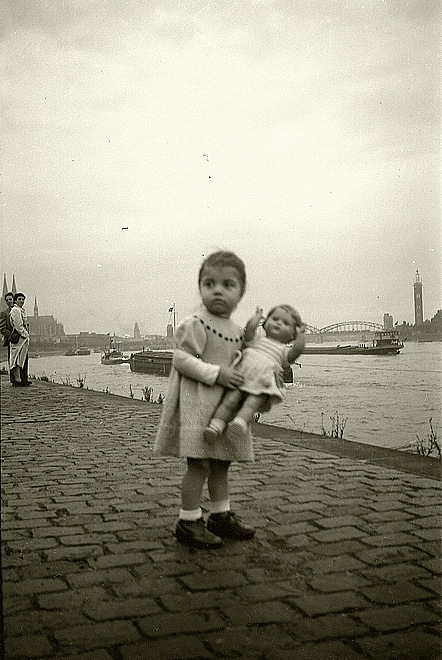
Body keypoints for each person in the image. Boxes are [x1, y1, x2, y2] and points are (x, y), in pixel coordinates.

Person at [154, 250, 256, 549]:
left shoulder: (236, 330)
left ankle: (220, 515)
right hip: (198, 407)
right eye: (209, 283)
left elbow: (245, 358)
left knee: (222, 464)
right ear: (200, 288)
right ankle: (188, 520)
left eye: (228, 284)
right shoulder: (197, 323)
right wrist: (216, 374)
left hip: (222, 409)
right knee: (198, 466)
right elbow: (181, 359)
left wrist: (251, 338)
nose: (218, 290)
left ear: (240, 293)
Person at [204, 305, 305, 442]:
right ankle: (215, 426)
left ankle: (239, 423)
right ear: (265, 323)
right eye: (275, 319)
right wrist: (257, 317)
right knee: (230, 400)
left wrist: (301, 335)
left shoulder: (283, 351)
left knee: (251, 404)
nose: (279, 323)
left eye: (286, 323)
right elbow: (250, 328)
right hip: (243, 376)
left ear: (292, 335)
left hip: (262, 383)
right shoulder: (256, 339)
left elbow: (297, 350)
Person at [9, 292, 31, 387]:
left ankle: (20, 379)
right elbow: (18, 325)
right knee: (16, 358)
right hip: (19, 338)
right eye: (19, 299)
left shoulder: (21, 310)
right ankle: (17, 380)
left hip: (22, 339)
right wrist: (26, 334)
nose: (21, 301)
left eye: (23, 299)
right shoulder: (15, 311)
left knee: (20, 358)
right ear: (15, 300)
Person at [0, 292, 15, 383]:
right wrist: (12, 336)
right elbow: (2, 328)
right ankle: (13, 379)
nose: (10, 301)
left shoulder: (20, 310)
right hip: (11, 340)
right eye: (7, 300)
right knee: (12, 359)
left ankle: (22, 379)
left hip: (21, 340)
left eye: (11, 299)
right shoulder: (4, 313)